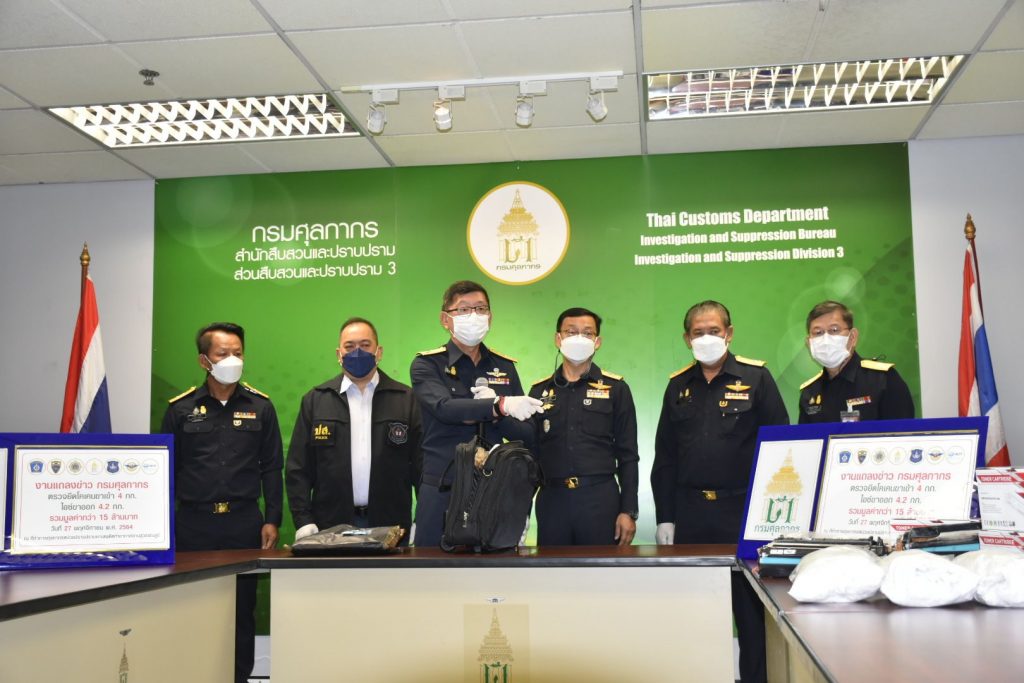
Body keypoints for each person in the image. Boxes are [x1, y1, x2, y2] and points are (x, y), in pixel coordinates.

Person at [651, 301, 788, 683]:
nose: (706, 338)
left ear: (729, 333)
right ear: (687, 338)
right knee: (695, 617)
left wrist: (772, 516)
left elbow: (780, 450)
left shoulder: (757, 378)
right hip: (691, 516)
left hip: (742, 514)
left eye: (714, 330)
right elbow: (665, 457)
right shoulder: (678, 386)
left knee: (752, 619)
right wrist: (666, 517)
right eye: (698, 332)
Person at [160, 322, 283, 683]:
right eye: (223, 353)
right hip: (193, 526)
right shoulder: (180, 409)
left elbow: (272, 467)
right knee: (191, 606)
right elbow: (165, 472)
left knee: (241, 610)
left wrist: (272, 519)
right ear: (204, 360)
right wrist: (163, 527)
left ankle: (239, 677)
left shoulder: (261, 407)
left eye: (238, 353)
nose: (233, 359)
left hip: (243, 524)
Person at [410, 280, 542, 547]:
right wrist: (497, 406)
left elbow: (527, 434)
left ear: (490, 317)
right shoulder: (427, 364)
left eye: (480, 309)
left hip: (495, 490)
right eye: (463, 309)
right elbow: (444, 408)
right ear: (445, 319)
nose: (473, 315)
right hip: (443, 487)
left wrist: (500, 414)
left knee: (494, 568)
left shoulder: (504, 367)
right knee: (434, 569)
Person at [286, 317, 422, 542]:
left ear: (379, 352)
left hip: (391, 525)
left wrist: (422, 518)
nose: (357, 352)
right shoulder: (316, 400)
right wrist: (303, 520)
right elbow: (298, 468)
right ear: (338, 354)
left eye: (365, 345)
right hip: (330, 526)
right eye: (349, 346)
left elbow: (422, 466)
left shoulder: (406, 400)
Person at [528, 307, 639, 545]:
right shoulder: (539, 391)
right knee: (552, 568)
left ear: (597, 342)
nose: (579, 338)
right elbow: (530, 456)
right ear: (558, 339)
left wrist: (628, 510)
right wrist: (521, 511)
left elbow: (628, 455)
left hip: (599, 499)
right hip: (552, 501)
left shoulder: (616, 389)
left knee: (600, 569)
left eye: (587, 333)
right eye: (571, 332)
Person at [798, 300, 915, 423]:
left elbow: (903, 431)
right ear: (809, 343)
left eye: (834, 330)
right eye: (818, 332)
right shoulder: (810, 392)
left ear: (852, 337)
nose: (826, 340)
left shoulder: (883, 379)